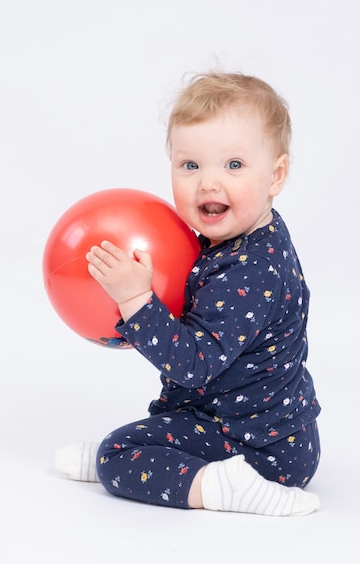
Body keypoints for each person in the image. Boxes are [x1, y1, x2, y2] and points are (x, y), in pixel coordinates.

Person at [55, 72, 322, 516]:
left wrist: (136, 300)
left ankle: (219, 486)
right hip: (260, 430)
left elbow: (194, 366)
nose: (209, 183)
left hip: (262, 451)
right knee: (130, 441)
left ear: (275, 176)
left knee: (115, 460)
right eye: (190, 165)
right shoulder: (246, 236)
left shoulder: (252, 271)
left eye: (233, 165)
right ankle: (142, 445)